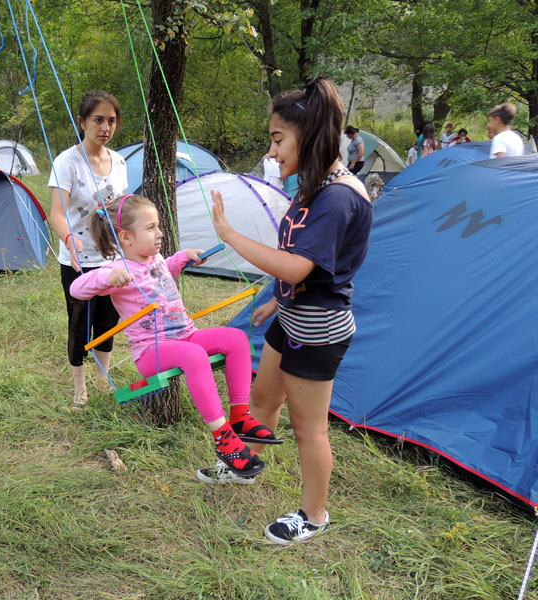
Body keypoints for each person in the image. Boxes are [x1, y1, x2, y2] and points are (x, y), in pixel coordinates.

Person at [210, 78, 373, 544]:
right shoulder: (314, 186)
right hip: (292, 317)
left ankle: (315, 515)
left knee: (309, 430)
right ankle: (244, 467)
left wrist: (230, 235)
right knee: (262, 400)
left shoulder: (339, 196)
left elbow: (300, 267)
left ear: (310, 133)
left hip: (319, 330)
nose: (273, 150)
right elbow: (305, 260)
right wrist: (274, 300)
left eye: (278, 138)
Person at [70, 194, 279, 480]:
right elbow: (77, 289)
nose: (160, 233)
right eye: (152, 228)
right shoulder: (116, 271)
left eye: (158, 226)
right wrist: (108, 278)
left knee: (236, 339)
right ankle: (224, 439)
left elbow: (163, 272)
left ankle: (240, 415)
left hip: (185, 336)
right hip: (151, 352)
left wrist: (182, 258)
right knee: (194, 357)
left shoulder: (154, 259)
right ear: (126, 237)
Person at [48, 90, 129, 410]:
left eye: (111, 121)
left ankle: (102, 379)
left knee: (108, 321)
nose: (105, 127)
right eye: (98, 120)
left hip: (111, 258)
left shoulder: (120, 161)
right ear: (82, 122)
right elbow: (56, 212)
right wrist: (69, 240)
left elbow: (123, 207)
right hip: (76, 260)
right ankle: (79, 387)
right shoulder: (66, 162)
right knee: (79, 323)